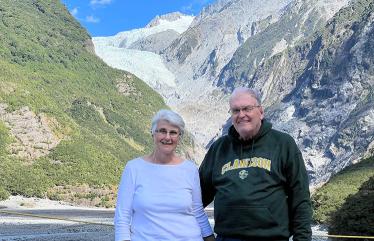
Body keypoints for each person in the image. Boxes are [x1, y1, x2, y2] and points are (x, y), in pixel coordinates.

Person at [199, 87, 312, 241]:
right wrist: (206, 235)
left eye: (247, 108)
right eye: (235, 110)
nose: (241, 115)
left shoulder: (283, 144)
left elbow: (300, 198)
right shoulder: (218, 148)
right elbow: (196, 199)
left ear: (261, 111)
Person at [114, 109, 215, 241]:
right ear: (153, 134)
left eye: (173, 132)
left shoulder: (190, 169)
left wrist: (210, 238)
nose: (167, 137)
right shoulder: (133, 168)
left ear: (179, 137)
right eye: (162, 131)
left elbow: (197, 211)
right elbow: (122, 217)